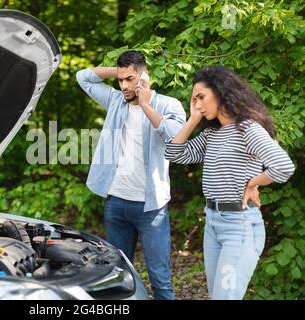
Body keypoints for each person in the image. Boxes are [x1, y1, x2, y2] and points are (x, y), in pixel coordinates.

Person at [164, 65, 295, 300]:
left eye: (201, 97)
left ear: (221, 92)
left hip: (240, 226)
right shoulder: (213, 133)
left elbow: (283, 166)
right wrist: (193, 119)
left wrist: (253, 183)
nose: (198, 105)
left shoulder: (247, 128)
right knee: (218, 295)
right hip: (213, 223)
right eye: (194, 100)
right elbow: (175, 154)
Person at [76, 50, 186, 300]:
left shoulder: (168, 105)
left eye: (129, 79)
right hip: (116, 203)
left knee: (160, 279)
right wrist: (121, 71)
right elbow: (83, 77)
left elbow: (174, 136)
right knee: (115, 277)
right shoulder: (116, 100)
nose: (124, 85)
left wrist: (145, 104)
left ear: (144, 75)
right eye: (120, 80)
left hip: (151, 208)